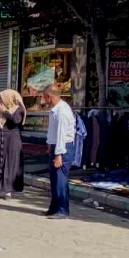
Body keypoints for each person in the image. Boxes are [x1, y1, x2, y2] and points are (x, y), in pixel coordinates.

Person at [43, 84, 76, 219]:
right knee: (54, 178)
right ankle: (54, 207)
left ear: (49, 96)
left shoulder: (62, 111)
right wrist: (50, 144)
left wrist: (58, 155)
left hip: (63, 148)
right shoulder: (55, 110)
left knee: (60, 179)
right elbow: (54, 131)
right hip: (56, 146)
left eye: (44, 97)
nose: (44, 100)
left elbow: (62, 134)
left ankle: (62, 210)